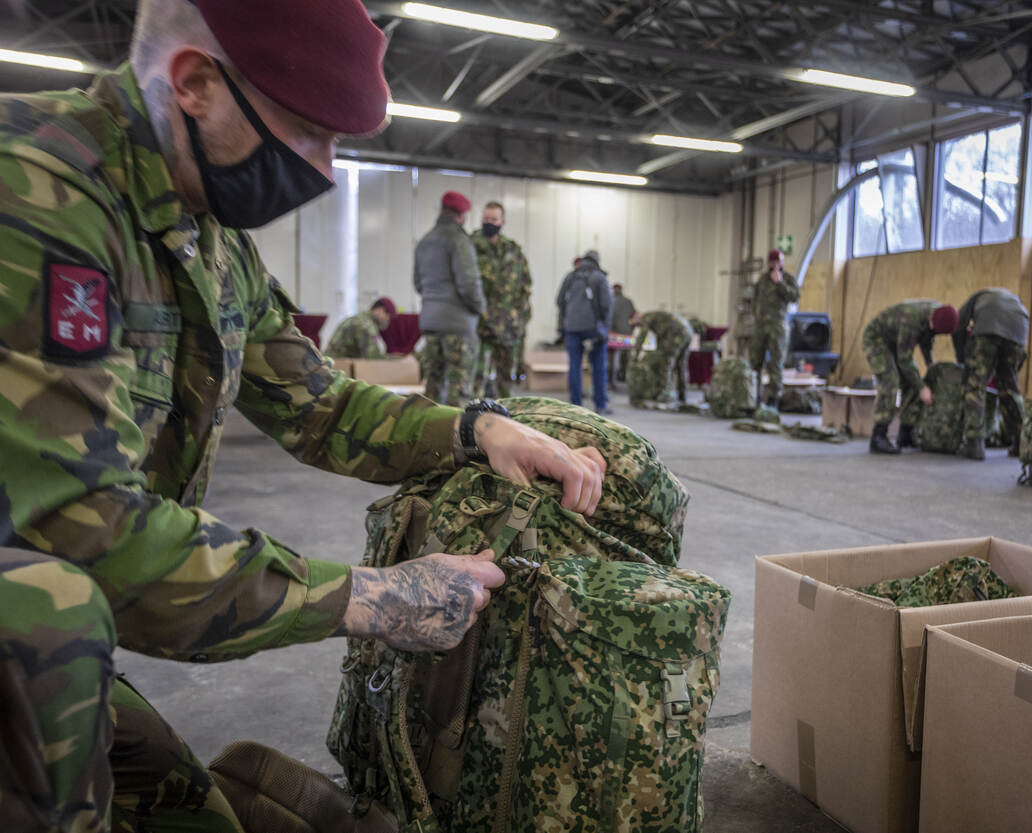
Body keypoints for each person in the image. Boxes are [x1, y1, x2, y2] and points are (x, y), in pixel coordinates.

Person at [0, 1, 607, 829]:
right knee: (53, 621)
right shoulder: (37, 190)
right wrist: (370, 597)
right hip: (33, 618)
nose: (325, 167)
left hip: (43, 621)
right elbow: (84, 531)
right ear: (195, 84)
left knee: (192, 811)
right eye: (310, 133)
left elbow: (319, 405)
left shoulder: (210, 237)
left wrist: (476, 429)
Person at [415, 190, 485, 405]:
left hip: (431, 324)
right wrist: (480, 307)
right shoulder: (459, 240)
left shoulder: (424, 241)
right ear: (461, 215)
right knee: (459, 391)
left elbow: (418, 283)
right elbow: (469, 283)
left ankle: (428, 426)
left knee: (432, 387)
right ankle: (456, 428)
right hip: (458, 326)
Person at [861, 300, 959, 454]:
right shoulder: (911, 321)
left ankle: (905, 433)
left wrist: (930, 364)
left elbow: (927, 338)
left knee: (911, 382)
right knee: (890, 381)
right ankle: (878, 436)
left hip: (896, 340)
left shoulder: (937, 316)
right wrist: (922, 388)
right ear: (931, 319)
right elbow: (904, 360)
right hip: (876, 339)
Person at [953, 287, 1030, 460]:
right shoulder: (1014, 301)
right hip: (1018, 331)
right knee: (1010, 389)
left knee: (975, 386)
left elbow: (958, 326)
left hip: (988, 329)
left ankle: (974, 444)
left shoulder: (977, 297)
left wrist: (961, 357)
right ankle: (1022, 443)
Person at [470, 201, 531, 398]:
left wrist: (519, 318)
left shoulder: (513, 251)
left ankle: (504, 412)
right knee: (476, 379)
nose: (489, 222)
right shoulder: (470, 247)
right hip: (479, 326)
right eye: (486, 218)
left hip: (507, 327)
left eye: (494, 219)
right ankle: (474, 413)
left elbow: (525, 287)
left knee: (505, 381)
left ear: (502, 222)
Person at [557, 250, 613, 414]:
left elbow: (559, 301)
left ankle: (575, 405)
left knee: (575, 365)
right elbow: (607, 305)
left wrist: (566, 321)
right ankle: (600, 405)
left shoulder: (570, 276)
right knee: (599, 367)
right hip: (593, 329)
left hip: (572, 328)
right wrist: (605, 327)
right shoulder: (599, 277)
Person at [749, 250, 800, 407]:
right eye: (773, 262)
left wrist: (780, 284)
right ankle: (754, 397)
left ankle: (774, 400)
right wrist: (756, 316)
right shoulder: (762, 280)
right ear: (769, 263)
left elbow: (795, 297)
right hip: (760, 327)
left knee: (776, 364)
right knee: (755, 362)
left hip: (778, 327)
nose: (776, 265)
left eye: (779, 261)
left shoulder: (788, 279)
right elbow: (754, 300)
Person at [632, 309, 696, 403]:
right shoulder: (656, 315)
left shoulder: (646, 318)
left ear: (637, 316)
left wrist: (635, 356)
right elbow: (661, 337)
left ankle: (664, 395)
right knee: (681, 365)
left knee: (666, 364)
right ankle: (682, 395)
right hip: (688, 332)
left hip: (677, 333)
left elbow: (642, 337)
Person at [325, 296, 395, 359]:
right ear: (380, 310)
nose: (387, 320)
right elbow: (373, 357)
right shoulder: (366, 325)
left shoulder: (358, 319)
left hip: (333, 364)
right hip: (339, 367)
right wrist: (396, 360)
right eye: (388, 316)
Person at [610, 282, 638, 389]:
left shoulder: (610, 301)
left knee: (613, 359)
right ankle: (626, 379)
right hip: (627, 335)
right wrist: (631, 329)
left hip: (614, 335)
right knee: (627, 358)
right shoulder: (628, 301)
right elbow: (634, 316)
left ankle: (612, 382)